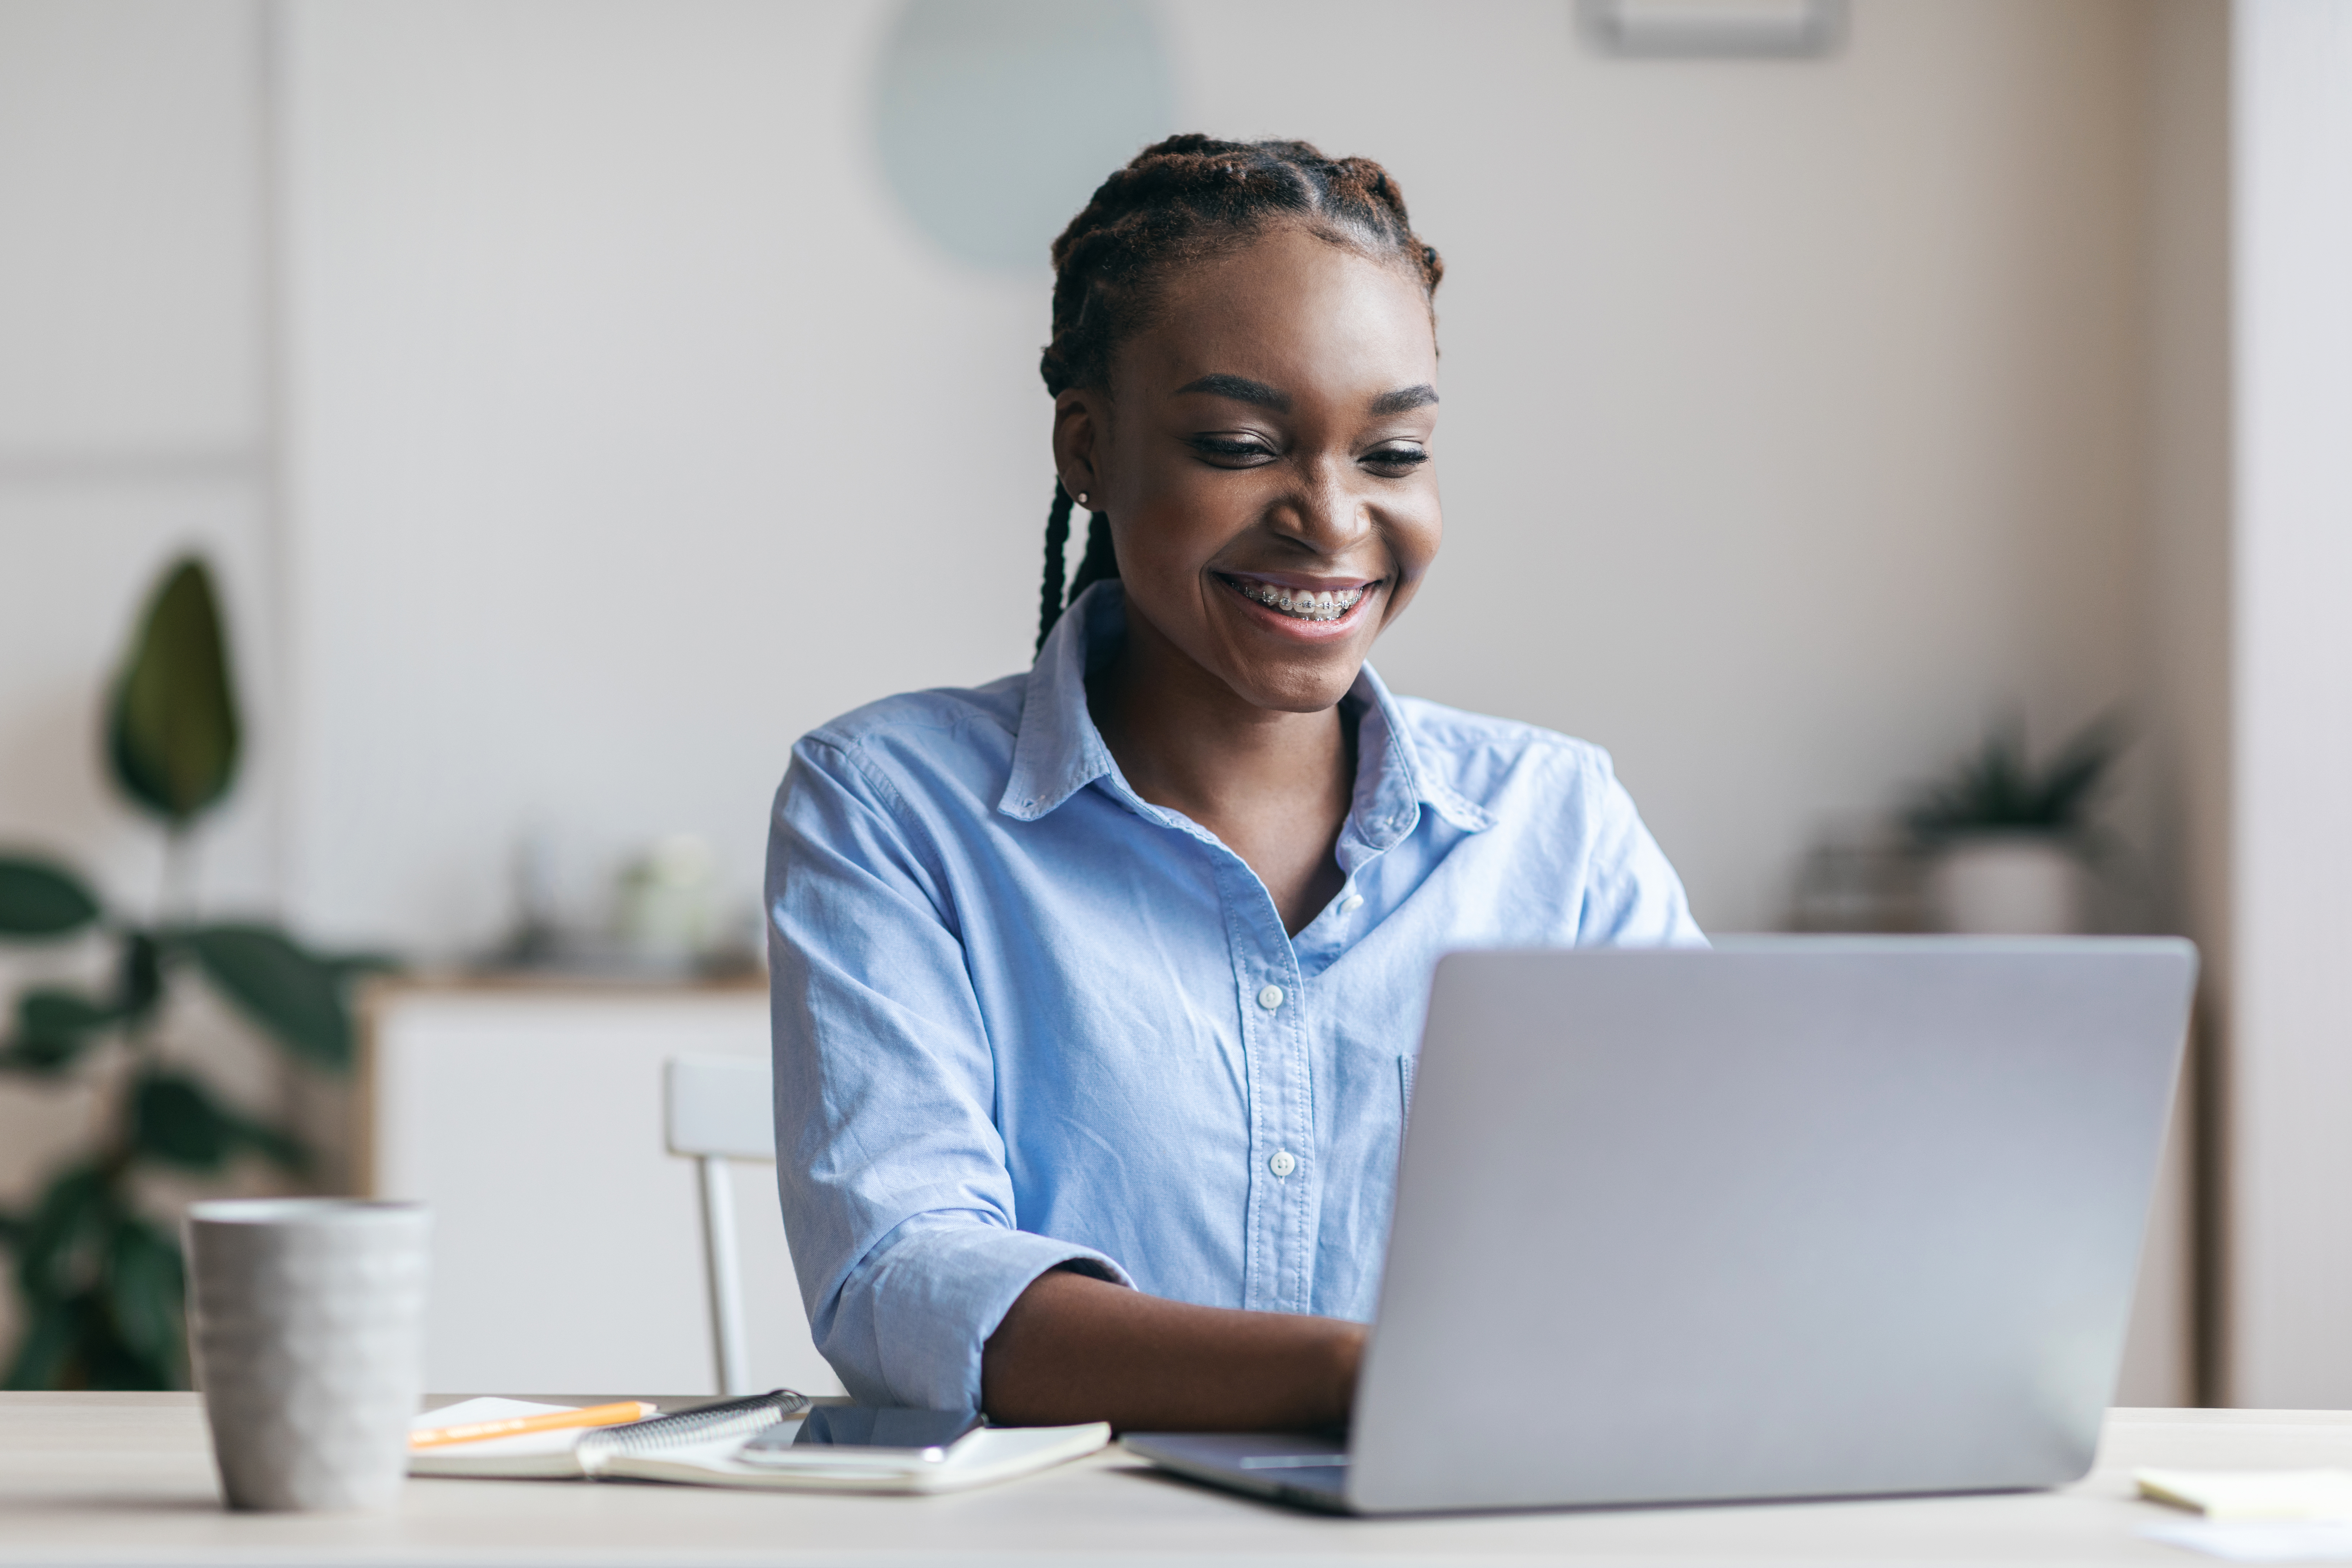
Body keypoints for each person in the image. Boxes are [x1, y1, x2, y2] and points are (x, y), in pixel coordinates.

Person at [767, 135, 1701, 1434]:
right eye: (1241, 443)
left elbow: (1718, 1213)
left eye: (1391, 455)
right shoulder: (890, 805)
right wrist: (1355, 1380)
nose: (1329, 519)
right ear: (1087, 449)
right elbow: (906, 1280)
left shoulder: (1560, 823)